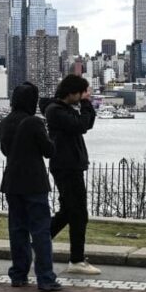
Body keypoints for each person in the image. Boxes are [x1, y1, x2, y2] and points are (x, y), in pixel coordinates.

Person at [0, 82, 63, 292]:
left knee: (17, 230)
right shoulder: (34, 122)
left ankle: (18, 274)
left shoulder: (5, 122)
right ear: (32, 101)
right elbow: (49, 151)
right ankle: (45, 277)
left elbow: (5, 150)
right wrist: (51, 136)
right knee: (40, 231)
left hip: (12, 182)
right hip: (34, 182)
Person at [45, 75, 101, 275]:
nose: (84, 96)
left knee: (69, 211)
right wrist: (86, 102)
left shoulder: (64, 110)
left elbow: (86, 123)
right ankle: (76, 259)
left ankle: (38, 242)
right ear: (72, 93)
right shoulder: (55, 111)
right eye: (82, 93)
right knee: (78, 213)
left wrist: (86, 104)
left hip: (71, 166)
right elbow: (81, 126)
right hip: (65, 167)